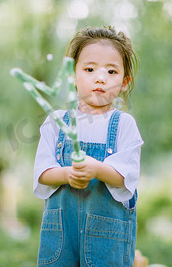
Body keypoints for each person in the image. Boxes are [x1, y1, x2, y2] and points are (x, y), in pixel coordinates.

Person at [33, 26, 144, 266]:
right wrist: (66, 173)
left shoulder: (124, 124)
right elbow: (42, 173)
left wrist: (97, 170)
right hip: (61, 242)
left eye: (111, 71)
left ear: (125, 82)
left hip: (107, 244)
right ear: (72, 76)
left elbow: (127, 178)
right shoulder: (56, 122)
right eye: (90, 69)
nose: (100, 78)